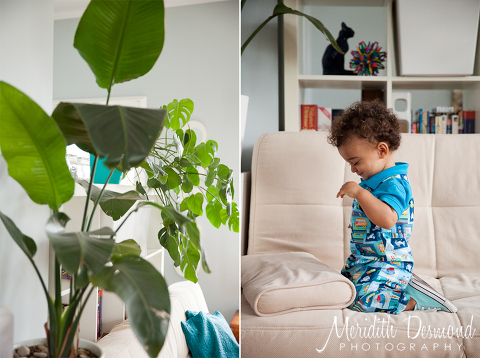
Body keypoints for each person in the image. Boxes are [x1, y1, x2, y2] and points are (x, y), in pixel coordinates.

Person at [327, 100, 457, 314]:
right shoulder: (375, 182)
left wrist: (359, 193)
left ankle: (417, 299)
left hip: (388, 262)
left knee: (363, 302)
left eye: (356, 161)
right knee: (342, 293)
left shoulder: (395, 183)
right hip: (363, 260)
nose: (353, 169)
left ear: (381, 150)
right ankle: (401, 289)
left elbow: (387, 219)